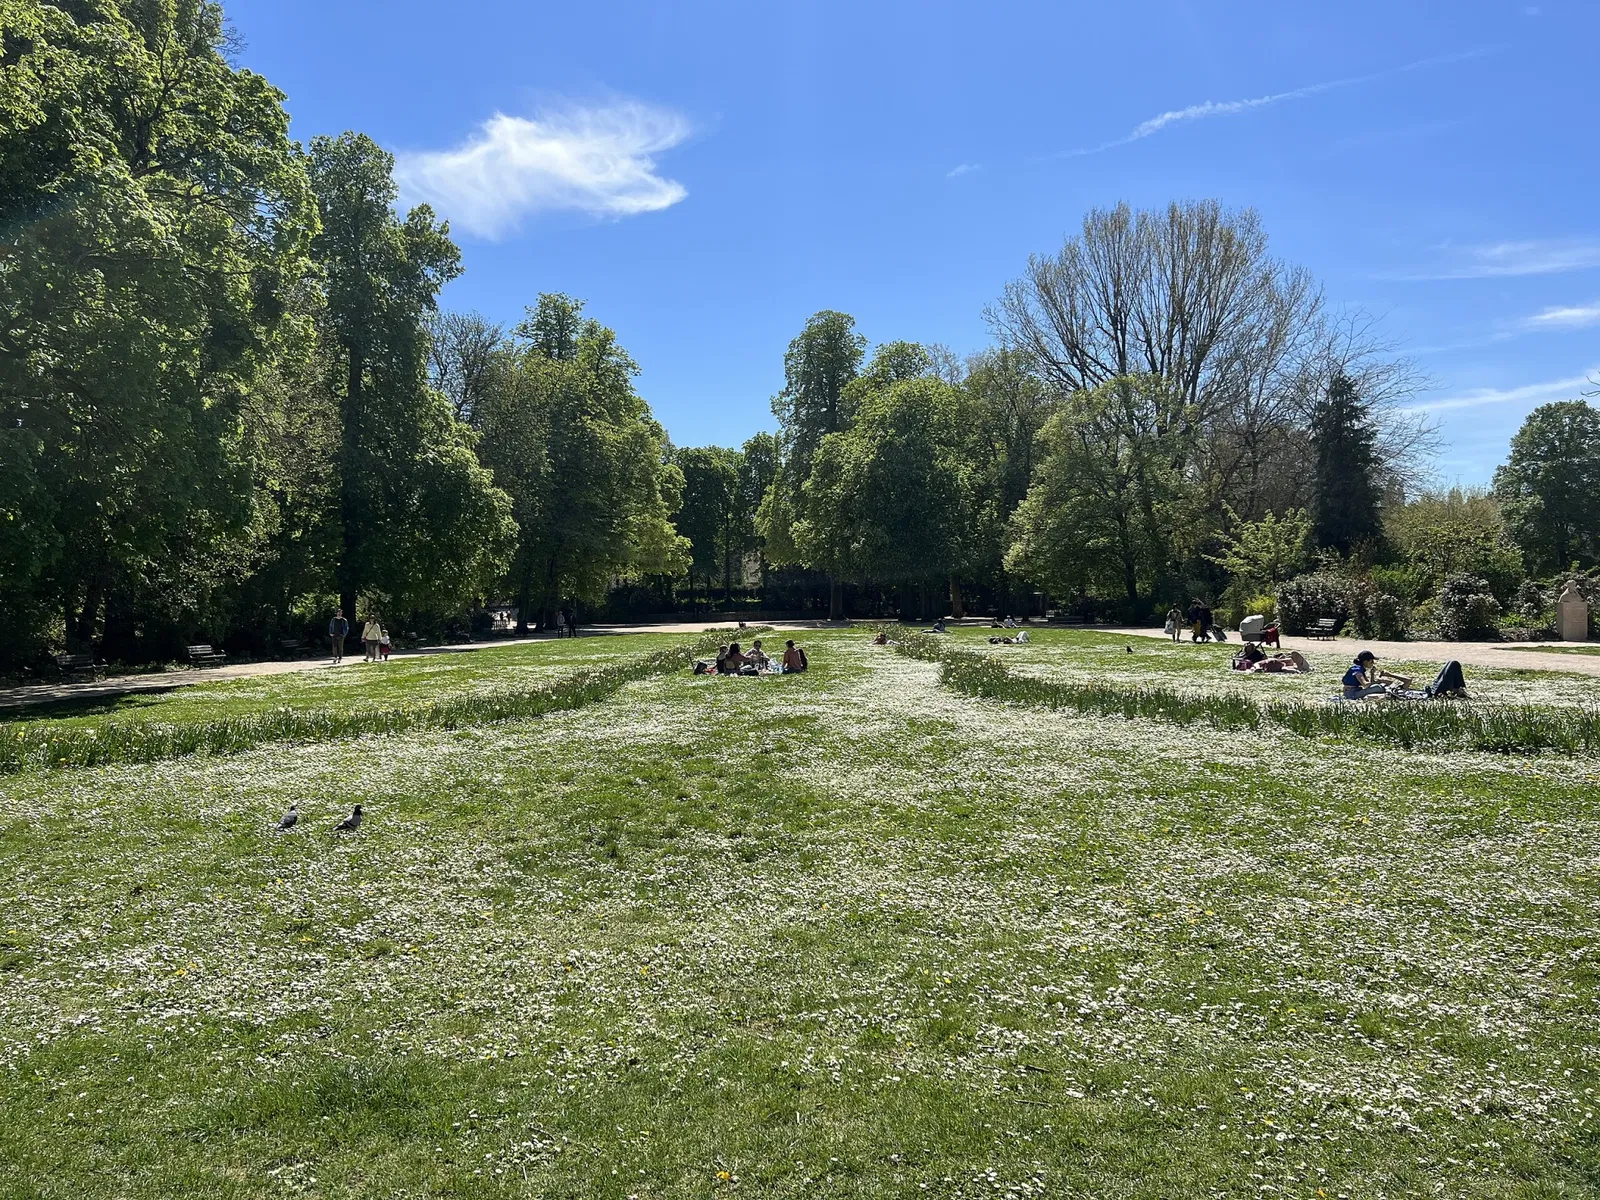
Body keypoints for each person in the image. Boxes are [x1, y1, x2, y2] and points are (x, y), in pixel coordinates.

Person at [1342, 651, 1410, 700]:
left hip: (1355, 691)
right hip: (1352, 693)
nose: (1373, 663)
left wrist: (1372, 674)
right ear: (1366, 661)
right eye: (1371, 661)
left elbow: (1369, 684)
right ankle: (1392, 692)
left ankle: (1391, 690)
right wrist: (1379, 681)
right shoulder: (1357, 670)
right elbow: (1365, 685)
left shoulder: (1361, 669)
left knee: (1377, 686)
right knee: (1378, 687)